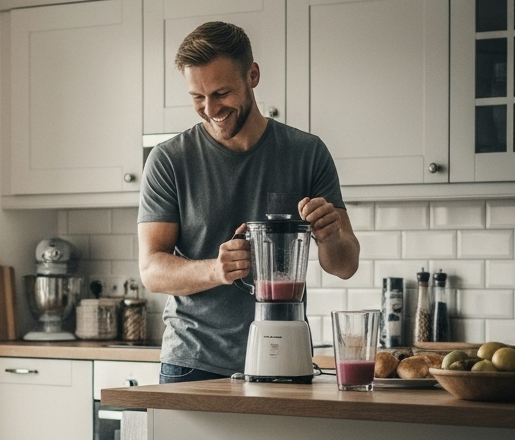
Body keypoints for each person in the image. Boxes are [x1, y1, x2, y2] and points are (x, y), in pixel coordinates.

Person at [138, 21, 360, 382]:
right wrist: (216, 269)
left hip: (285, 360)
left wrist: (331, 237)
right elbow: (151, 270)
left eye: (222, 93)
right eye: (197, 97)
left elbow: (345, 265)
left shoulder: (307, 153)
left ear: (252, 75)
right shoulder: (169, 160)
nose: (210, 109)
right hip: (193, 363)